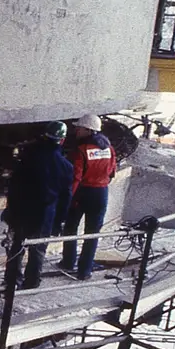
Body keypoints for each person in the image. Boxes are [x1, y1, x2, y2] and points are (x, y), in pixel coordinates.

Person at [3, 121, 74, 290]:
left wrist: (10, 209)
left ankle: (12, 281)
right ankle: (32, 282)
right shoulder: (66, 166)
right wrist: (60, 220)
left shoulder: (28, 157)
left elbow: (14, 185)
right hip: (45, 214)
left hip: (22, 210)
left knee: (16, 247)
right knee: (38, 249)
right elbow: (66, 196)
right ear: (62, 140)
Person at [60, 113, 118, 280]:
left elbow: (75, 177)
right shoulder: (109, 148)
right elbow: (112, 172)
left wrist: (68, 198)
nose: (76, 130)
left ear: (88, 130)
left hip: (83, 192)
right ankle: (84, 270)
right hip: (101, 193)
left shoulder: (81, 150)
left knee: (71, 228)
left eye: (79, 128)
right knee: (92, 232)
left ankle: (68, 262)